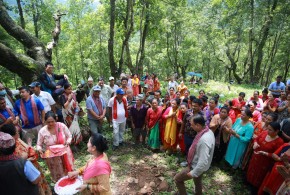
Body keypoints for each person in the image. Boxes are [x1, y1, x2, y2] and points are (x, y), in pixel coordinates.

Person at [1, 124, 52, 195]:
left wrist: (29, 146)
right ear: (11, 136)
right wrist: (27, 159)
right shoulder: (16, 154)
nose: (18, 133)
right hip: (26, 178)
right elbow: (36, 179)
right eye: (16, 133)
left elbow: (29, 150)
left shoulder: (16, 141)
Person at [174, 115, 215, 195]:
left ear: (198, 125)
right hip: (201, 167)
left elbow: (203, 161)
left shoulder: (204, 140)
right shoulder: (208, 131)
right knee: (198, 181)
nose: (191, 126)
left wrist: (193, 172)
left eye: (192, 125)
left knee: (177, 179)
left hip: (195, 166)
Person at [37, 111, 74, 181]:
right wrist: (39, 149)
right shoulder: (42, 131)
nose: (50, 124)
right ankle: (60, 187)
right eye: (48, 122)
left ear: (56, 120)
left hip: (65, 152)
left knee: (68, 170)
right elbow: (39, 144)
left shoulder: (61, 126)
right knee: (58, 174)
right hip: (52, 157)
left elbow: (69, 136)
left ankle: (71, 185)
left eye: (52, 121)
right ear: (45, 122)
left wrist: (68, 142)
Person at [246, 122, 284, 192]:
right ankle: (248, 181)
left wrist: (265, 153)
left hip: (265, 162)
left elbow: (275, 155)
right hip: (256, 157)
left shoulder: (279, 142)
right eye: (268, 128)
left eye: (270, 130)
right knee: (252, 169)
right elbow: (256, 139)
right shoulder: (264, 133)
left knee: (259, 174)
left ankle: (254, 188)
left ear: (277, 131)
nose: (267, 131)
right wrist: (255, 143)